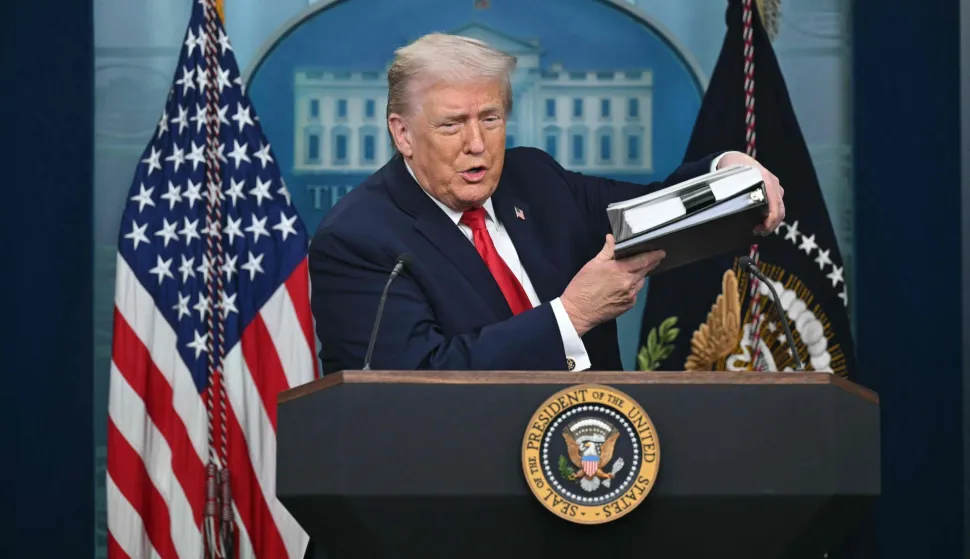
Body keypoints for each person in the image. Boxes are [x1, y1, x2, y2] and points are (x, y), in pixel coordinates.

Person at [307, 33, 785, 375]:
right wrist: (572, 315)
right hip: (459, 489)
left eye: (490, 118)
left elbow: (650, 209)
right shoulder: (357, 237)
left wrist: (725, 176)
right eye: (452, 125)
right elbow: (411, 382)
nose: (477, 143)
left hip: (601, 464)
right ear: (403, 134)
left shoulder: (533, 178)